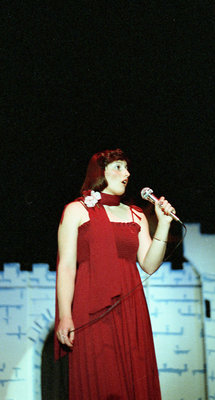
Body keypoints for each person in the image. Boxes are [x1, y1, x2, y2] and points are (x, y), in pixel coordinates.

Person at [54, 148, 176, 400]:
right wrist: (65, 316)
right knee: (101, 378)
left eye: (127, 168)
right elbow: (66, 265)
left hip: (131, 308)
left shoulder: (136, 213)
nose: (127, 173)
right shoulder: (76, 210)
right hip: (91, 307)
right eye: (118, 167)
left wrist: (163, 225)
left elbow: (149, 265)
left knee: (135, 377)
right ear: (100, 172)